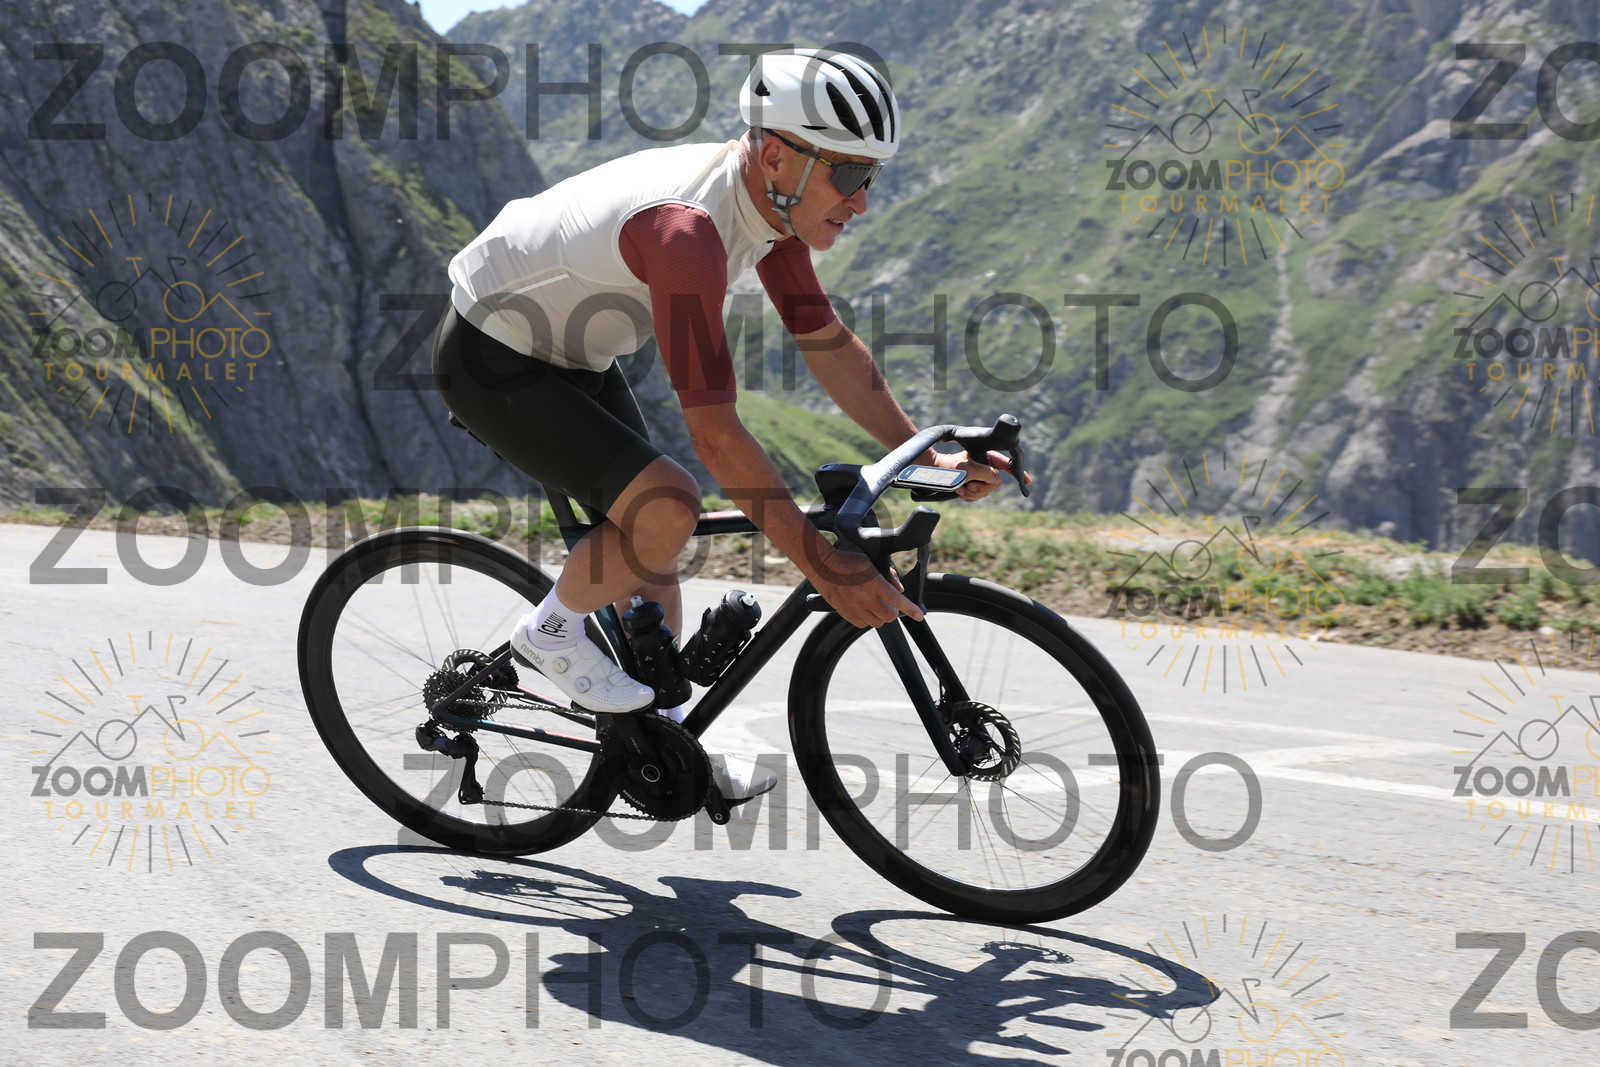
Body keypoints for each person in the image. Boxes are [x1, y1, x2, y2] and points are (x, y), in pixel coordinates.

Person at [432, 48, 1021, 801]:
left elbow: (827, 343)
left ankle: (668, 745)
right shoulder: (687, 233)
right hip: (492, 354)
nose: (863, 201)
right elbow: (714, 434)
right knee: (667, 507)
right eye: (849, 175)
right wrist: (821, 564)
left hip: (573, 353)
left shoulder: (771, 208)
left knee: (652, 556)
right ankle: (549, 632)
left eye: (872, 176)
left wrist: (924, 456)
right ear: (777, 157)